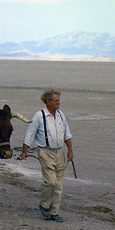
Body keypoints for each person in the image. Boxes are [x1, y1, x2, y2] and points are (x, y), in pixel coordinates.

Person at [18, 89, 73, 222]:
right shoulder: (39, 116)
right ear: (48, 102)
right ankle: (44, 205)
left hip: (59, 152)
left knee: (59, 184)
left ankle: (54, 212)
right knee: (51, 182)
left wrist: (70, 151)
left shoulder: (60, 115)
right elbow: (29, 134)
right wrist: (24, 151)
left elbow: (67, 134)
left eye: (58, 100)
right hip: (45, 152)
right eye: (56, 101)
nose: (58, 103)